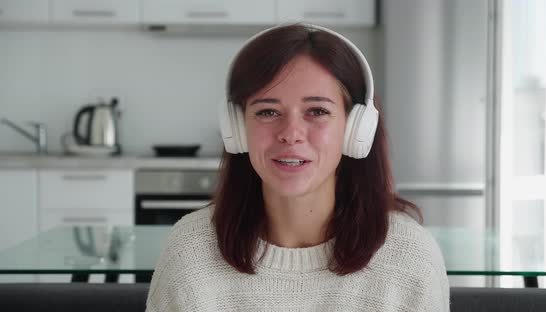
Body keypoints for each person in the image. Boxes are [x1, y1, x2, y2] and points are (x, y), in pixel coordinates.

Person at [146, 23, 450, 312]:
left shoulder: (410, 258)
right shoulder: (189, 253)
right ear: (237, 128)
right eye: (267, 111)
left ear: (356, 129)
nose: (291, 133)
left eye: (317, 111)